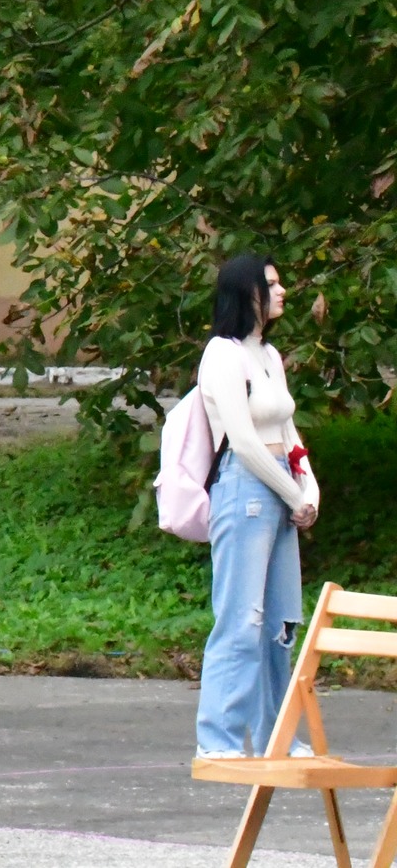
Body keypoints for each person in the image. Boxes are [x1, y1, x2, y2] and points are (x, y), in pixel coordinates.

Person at [195, 254, 317, 759]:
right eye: (271, 283)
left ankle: (278, 738)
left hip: (281, 484)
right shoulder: (223, 355)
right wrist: (292, 494)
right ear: (247, 293)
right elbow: (243, 441)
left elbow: (287, 431)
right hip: (245, 489)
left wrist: (308, 489)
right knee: (241, 619)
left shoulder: (268, 353)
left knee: (279, 624)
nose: (281, 290)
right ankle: (217, 739)